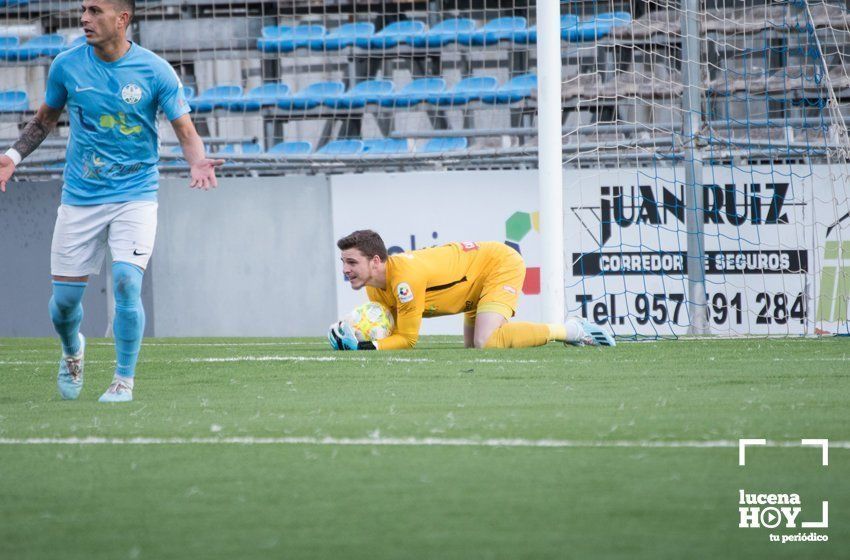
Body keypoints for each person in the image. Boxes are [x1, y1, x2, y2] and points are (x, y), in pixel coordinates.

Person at [0, 0, 223, 402]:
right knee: (63, 307)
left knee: (125, 282)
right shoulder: (66, 65)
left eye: (95, 10)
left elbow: (185, 130)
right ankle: (73, 350)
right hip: (81, 197)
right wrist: (12, 157)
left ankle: (123, 380)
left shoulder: (155, 70)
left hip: (135, 195)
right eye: (83, 9)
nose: (84, 18)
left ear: (122, 19)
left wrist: (197, 162)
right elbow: (44, 120)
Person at [329, 229, 616, 350]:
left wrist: (368, 346)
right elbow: (389, 333)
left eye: (352, 262)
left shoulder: (404, 279)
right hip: (470, 284)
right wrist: (353, 333)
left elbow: (407, 338)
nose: (345, 270)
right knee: (473, 349)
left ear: (376, 261)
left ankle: (571, 330)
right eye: (343, 262)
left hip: (495, 264)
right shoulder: (373, 289)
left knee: (486, 341)